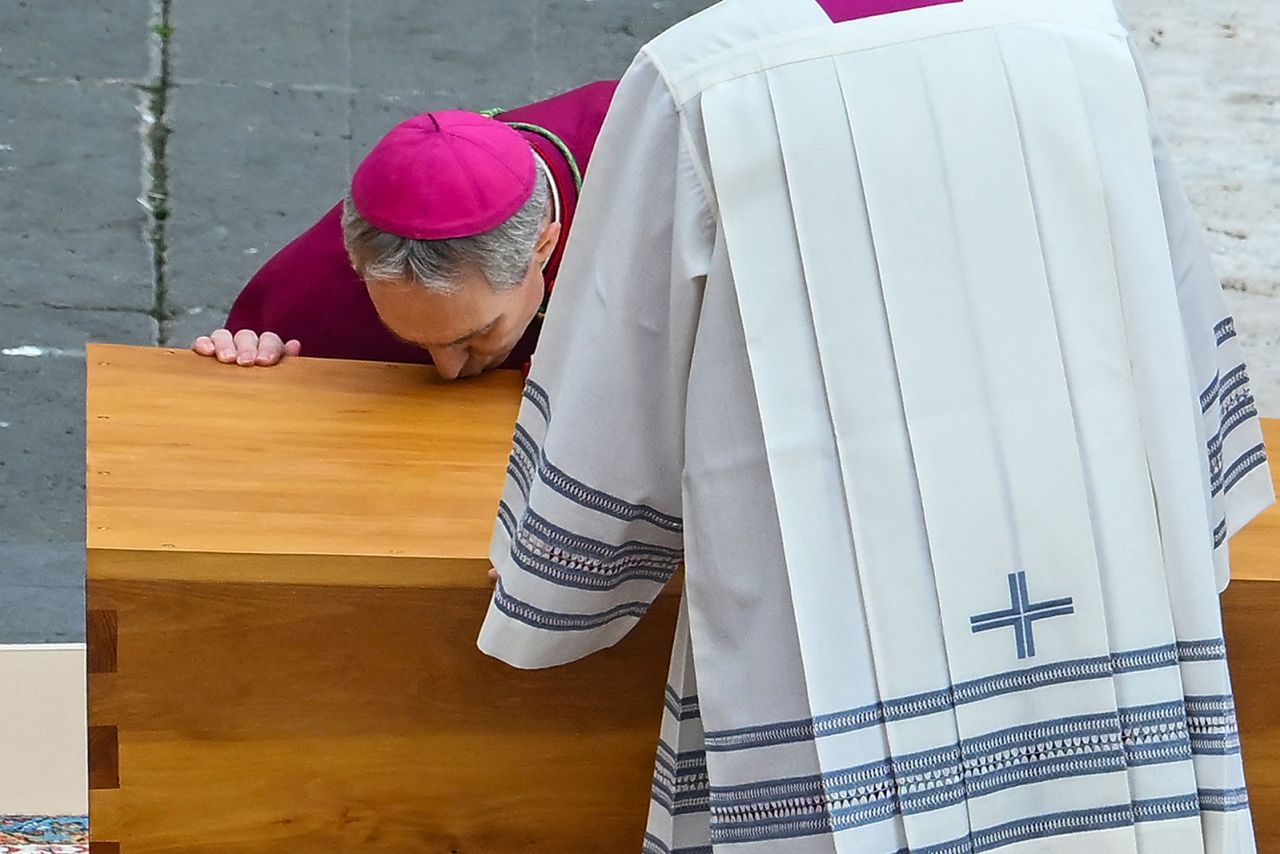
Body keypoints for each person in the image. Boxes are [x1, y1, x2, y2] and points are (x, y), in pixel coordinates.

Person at [475, 0, 1273, 851]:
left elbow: (619, 364)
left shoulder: (702, 80)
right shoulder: (1080, 33)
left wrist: (555, 579)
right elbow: (1173, 317)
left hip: (827, 626)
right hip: (1091, 609)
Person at [192, 82, 616, 379]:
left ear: (542, 246)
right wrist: (257, 360)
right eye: (413, 340)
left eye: (476, 336)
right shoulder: (321, 285)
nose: (449, 371)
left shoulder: (648, 153)